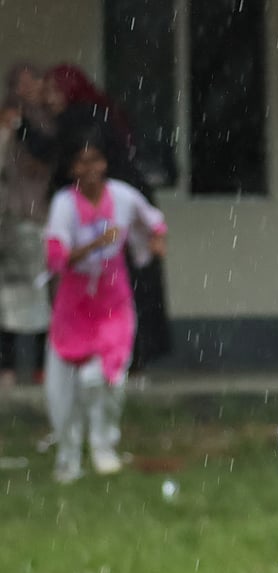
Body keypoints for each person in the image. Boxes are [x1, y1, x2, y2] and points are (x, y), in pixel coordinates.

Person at [42, 125, 166, 482]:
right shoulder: (64, 204)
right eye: (81, 162)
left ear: (104, 164)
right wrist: (96, 245)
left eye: (94, 160)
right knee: (60, 389)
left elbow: (154, 223)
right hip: (74, 304)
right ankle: (68, 456)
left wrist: (156, 244)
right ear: (72, 169)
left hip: (114, 301)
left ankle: (103, 446)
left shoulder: (123, 197)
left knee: (105, 375)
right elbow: (56, 257)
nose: (89, 169)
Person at [36, 64, 173, 371]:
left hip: (115, 209)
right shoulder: (97, 113)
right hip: (112, 209)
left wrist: (19, 125)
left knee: (119, 286)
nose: (48, 99)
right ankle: (125, 356)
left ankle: (119, 356)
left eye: (53, 90)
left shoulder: (79, 120)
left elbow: (50, 153)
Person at [0, 62, 53, 387]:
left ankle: (40, 366)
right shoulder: (6, 119)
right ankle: (5, 367)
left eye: (30, 81)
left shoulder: (47, 121)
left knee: (38, 294)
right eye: (18, 83)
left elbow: (46, 157)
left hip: (34, 217)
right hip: (7, 219)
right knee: (5, 298)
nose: (24, 89)